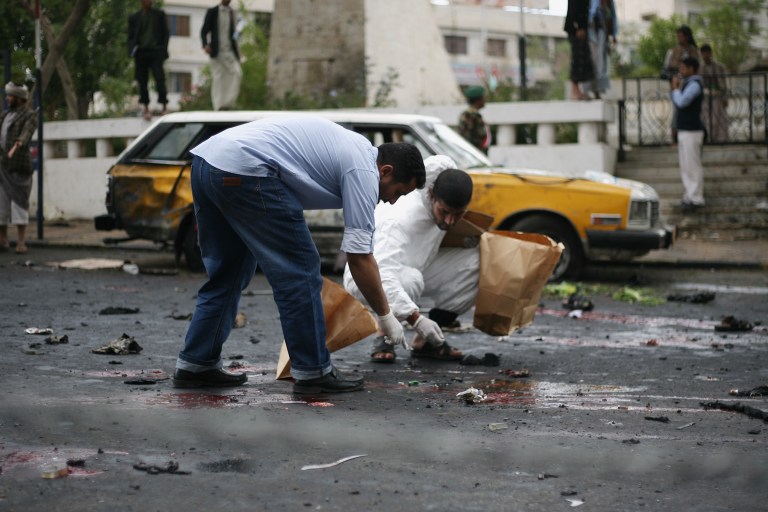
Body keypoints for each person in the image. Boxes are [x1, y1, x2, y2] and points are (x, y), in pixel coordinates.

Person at [172, 115, 426, 394]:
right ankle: (313, 371)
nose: (392, 201)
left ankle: (196, 364)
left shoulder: (354, 149)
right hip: (248, 171)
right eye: (398, 192)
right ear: (386, 171)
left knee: (229, 271)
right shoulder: (364, 171)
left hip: (206, 164)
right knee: (300, 273)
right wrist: (386, 316)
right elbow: (359, 257)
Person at [343, 155, 477, 363]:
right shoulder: (399, 219)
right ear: (431, 195)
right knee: (410, 280)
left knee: (477, 261)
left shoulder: (441, 186)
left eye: (458, 214)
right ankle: (384, 335)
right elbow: (382, 274)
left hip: (417, 265)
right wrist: (416, 319)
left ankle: (427, 342)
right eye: (444, 212)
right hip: (367, 276)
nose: (450, 221)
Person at [0, 82, 37, 254]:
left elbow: (27, 132)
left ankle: (21, 242)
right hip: (3, 166)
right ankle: (3, 239)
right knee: (2, 204)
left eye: (10, 96)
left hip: (19, 167)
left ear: (19, 99)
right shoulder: (5, 115)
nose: (7, 98)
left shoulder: (30, 115)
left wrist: (18, 144)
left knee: (19, 204)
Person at [671, 57, 705, 212]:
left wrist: (675, 89)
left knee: (692, 165)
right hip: (685, 130)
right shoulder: (687, 84)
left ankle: (696, 198)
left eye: (683, 68)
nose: (681, 71)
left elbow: (682, 102)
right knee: (685, 166)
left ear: (692, 69)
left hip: (692, 130)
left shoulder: (695, 84)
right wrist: (677, 89)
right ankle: (688, 197)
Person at [128, 0, 170, 121]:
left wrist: (163, 49)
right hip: (141, 53)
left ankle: (164, 107)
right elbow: (130, 36)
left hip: (156, 52)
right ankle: (146, 109)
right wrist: (132, 50)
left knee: (160, 78)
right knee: (142, 81)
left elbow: (165, 33)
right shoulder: (134, 17)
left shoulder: (159, 15)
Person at [201, 0, 242, 111]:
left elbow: (234, 33)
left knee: (237, 73)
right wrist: (205, 45)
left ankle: (228, 104)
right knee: (218, 78)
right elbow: (204, 31)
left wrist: (238, 50)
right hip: (216, 51)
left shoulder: (232, 12)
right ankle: (218, 106)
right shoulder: (213, 11)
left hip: (229, 51)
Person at [662, 25, 700, 144]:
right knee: (677, 113)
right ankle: (674, 139)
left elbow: (699, 68)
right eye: (677, 36)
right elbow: (665, 70)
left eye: (681, 36)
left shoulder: (695, 51)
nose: (678, 38)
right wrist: (675, 77)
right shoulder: (672, 52)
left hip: (691, 85)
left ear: (687, 37)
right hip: (677, 86)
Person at [582, 0, 617, 99]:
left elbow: (612, 16)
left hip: (602, 30)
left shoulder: (608, 1)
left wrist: (614, 34)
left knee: (601, 62)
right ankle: (589, 89)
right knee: (591, 61)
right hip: (590, 31)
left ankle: (598, 90)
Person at [564, 0, 594, 100]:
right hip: (576, 29)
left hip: (580, 28)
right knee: (577, 58)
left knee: (583, 59)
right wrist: (579, 26)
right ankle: (575, 91)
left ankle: (578, 90)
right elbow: (574, 7)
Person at [699, 44, 729, 143]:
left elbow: (724, 84)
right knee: (706, 119)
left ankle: (719, 139)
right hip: (705, 98)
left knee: (718, 119)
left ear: (710, 53)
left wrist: (725, 98)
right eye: (703, 53)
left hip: (717, 97)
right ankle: (707, 139)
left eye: (707, 53)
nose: (705, 56)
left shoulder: (719, 67)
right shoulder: (700, 68)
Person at [458, 86, 490, 154]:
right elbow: (467, 137)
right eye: (483, 98)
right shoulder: (470, 115)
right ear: (478, 101)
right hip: (474, 152)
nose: (484, 100)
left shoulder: (474, 114)